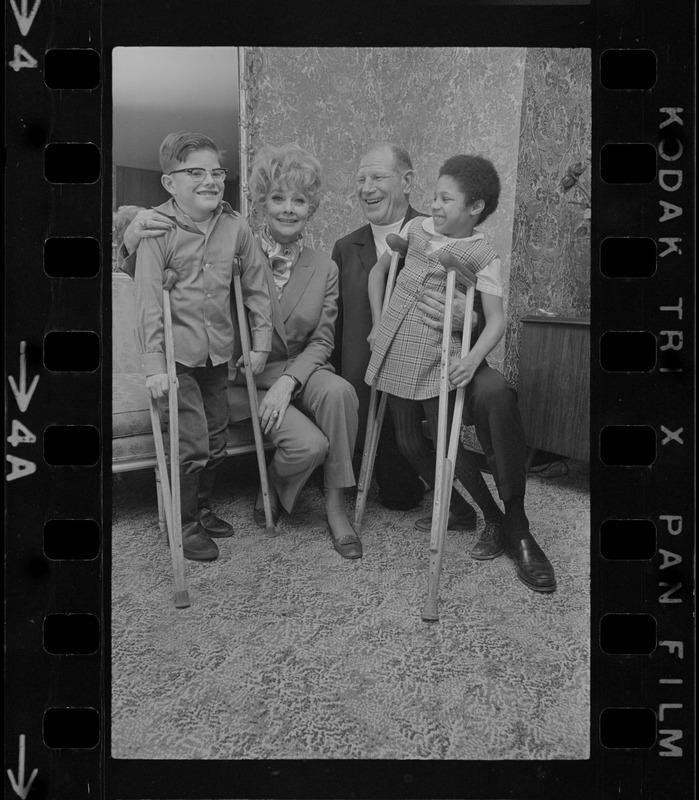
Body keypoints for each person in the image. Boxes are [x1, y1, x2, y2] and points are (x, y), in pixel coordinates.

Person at [366, 154, 556, 593]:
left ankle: (510, 522)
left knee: (474, 410)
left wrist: (470, 355)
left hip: (451, 357)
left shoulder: (482, 253)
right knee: (409, 440)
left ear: (474, 208)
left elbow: (495, 319)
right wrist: (378, 323)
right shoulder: (414, 231)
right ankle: (462, 510)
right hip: (402, 350)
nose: (432, 205)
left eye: (444, 198)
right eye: (433, 195)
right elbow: (381, 273)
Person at [132, 131, 273, 563]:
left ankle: (203, 507)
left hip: (218, 355)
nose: (210, 180)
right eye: (195, 172)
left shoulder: (236, 227)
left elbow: (257, 289)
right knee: (190, 441)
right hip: (177, 360)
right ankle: (186, 522)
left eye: (217, 172)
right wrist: (154, 364)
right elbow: (148, 301)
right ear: (170, 183)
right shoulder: (156, 228)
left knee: (215, 439)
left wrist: (261, 343)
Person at [331, 142, 483, 530]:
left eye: (378, 177)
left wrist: (469, 317)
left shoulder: (441, 230)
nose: (367, 187)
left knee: (401, 497)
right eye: (361, 178)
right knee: (356, 479)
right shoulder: (346, 247)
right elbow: (337, 322)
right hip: (364, 385)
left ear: (408, 181)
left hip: (417, 378)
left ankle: (456, 496)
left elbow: (473, 309)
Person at [227, 143, 362, 559]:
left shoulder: (325, 266)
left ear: (311, 207)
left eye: (299, 200)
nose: (288, 209)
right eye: (278, 198)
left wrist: (291, 380)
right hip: (247, 376)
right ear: (261, 202)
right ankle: (275, 479)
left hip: (298, 369)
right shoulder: (235, 257)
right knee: (309, 447)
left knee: (340, 391)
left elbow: (322, 340)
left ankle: (337, 507)